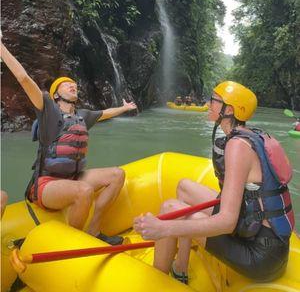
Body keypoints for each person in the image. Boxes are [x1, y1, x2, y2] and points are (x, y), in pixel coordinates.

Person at [134, 81, 294, 283]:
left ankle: (158, 282)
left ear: (229, 110)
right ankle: (180, 268)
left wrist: (162, 228)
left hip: (261, 255)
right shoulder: (250, 136)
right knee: (184, 187)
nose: (209, 104)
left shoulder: (237, 146)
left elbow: (227, 222)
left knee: (169, 210)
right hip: (261, 234)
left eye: (214, 100)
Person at [1, 41, 137, 244]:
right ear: (56, 95)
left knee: (118, 175)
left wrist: (124, 108)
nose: (73, 85)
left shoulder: (82, 116)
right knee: (84, 191)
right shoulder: (48, 110)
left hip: (73, 177)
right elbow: (24, 79)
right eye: (66, 84)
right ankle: (72, 243)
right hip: (46, 185)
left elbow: (105, 114)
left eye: (74, 84)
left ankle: (94, 229)